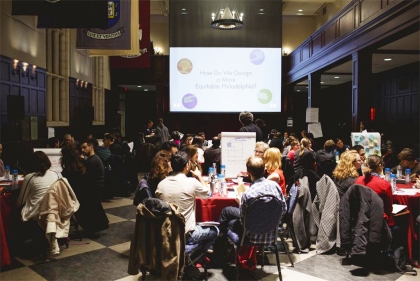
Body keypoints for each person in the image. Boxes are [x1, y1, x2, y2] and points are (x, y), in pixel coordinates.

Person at [217, 156, 286, 268]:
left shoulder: (248, 194)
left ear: (248, 173)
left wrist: (240, 202)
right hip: (271, 234)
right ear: (264, 170)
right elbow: (283, 210)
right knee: (229, 213)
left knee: (228, 217)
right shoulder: (275, 186)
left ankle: (219, 251)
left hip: (250, 236)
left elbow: (243, 220)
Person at [155, 151, 218, 252]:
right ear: (187, 165)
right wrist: (199, 176)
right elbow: (208, 194)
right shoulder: (191, 182)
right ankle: (190, 253)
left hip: (166, 233)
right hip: (186, 234)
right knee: (216, 231)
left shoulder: (161, 184)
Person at [61, 146, 109, 236]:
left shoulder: (68, 169)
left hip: (80, 194)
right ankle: (93, 227)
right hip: (89, 191)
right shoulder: (82, 163)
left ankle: (89, 228)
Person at [17, 151, 60, 221]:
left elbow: (20, 202)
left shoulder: (30, 177)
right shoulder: (54, 173)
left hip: (34, 215)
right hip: (53, 212)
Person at [354, 155, 394, 226]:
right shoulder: (384, 184)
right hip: (379, 221)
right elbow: (389, 210)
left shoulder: (358, 180)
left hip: (360, 219)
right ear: (380, 166)